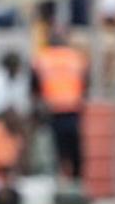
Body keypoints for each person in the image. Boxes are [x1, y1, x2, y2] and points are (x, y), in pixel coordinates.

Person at [32, 31, 88, 181]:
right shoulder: (75, 57)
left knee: (57, 148)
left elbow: (34, 85)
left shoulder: (42, 58)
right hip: (73, 107)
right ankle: (77, 178)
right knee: (74, 146)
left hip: (53, 109)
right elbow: (86, 81)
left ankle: (60, 178)